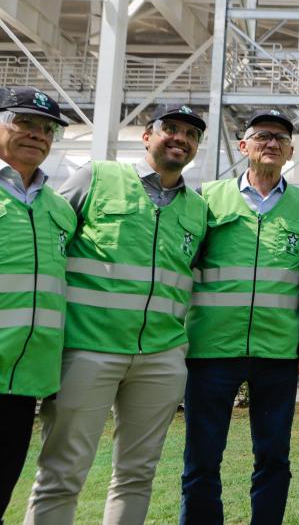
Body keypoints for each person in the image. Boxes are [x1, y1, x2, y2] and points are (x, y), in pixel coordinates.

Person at [25, 104, 208, 524]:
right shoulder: (96, 177)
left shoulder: (198, 210)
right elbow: (48, 235)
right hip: (88, 349)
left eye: (192, 134)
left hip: (160, 357)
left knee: (137, 475)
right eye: (171, 129)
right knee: (62, 472)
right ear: (147, 136)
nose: (181, 138)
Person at [180, 110, 299, 524]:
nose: (271, 143)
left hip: (276, 353)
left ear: (291, 151)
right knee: (202, 458)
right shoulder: (206, 198)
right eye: (262, 136)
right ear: (244, 147)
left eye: (281, 138)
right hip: (211, 350)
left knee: (274, 456)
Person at [0, 86, 75, 523]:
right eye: (24, 122)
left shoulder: (60, 209)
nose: (37, 134)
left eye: (48, 128)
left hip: (25, 380)